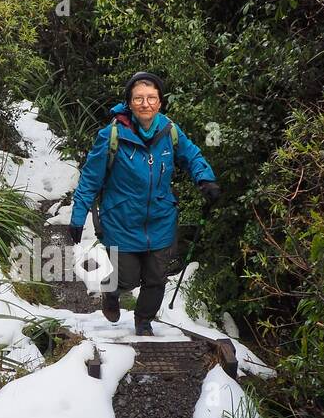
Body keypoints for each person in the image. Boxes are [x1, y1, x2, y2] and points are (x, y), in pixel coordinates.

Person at [68, 72, 220, 336]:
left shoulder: (170, 131)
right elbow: (90, 179)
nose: (145, 103)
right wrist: (78, 216)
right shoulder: (112, 135)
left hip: (160, 218)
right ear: (130, 102)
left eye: (151, 98)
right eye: (139, 98)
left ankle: (144, 321)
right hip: (122, 220)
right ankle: (111, 291)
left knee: (156, 278)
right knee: (127, 277)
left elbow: (192, 155)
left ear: (160, 102)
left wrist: (205, 179)